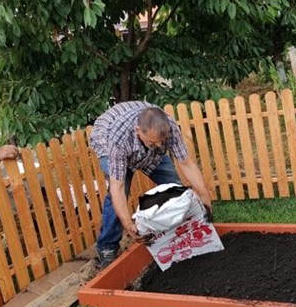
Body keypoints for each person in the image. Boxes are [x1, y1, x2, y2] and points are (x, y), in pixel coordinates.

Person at [90, 101, 212, 268]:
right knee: (118, 193)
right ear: (138, 131)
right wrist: (129, 224)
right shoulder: (118, 140)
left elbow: (186, 163)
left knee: (174, 186)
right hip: (107, 139)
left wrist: (205, 198)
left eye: (162, 142)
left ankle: (180, 227)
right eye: (154, 143)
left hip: (143, 144)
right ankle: (107, 247)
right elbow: (117, 188)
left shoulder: (167, 130)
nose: (160, 146)